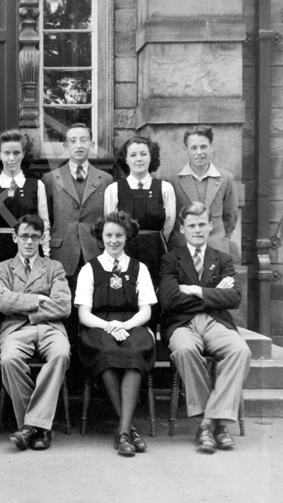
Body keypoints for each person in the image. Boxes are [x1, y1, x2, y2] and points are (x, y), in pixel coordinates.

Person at [159, 202, 251, 453]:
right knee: (185, 350)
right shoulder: (170, 259)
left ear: (210, 226)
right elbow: (169, 300)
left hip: (216, 322)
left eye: (202, 224)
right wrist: (213, 293)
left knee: (240, 351)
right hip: (182, 323)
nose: (197, 230)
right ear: (182, 228)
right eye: (192, 225)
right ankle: (216, 425)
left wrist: (195, 290)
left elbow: (233, 298)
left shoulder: (222, 259)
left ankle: (208, 423)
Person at [75, 211, 156, 457]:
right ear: (101, 237)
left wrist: (127, 325)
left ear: (127, 236)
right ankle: (128, 429)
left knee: (133, 356)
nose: (113, 240)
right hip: (98, 326)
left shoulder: (139, 268)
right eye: (108, 235)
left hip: (132, 324)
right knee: (108, 355)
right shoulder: (90, 269)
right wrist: (109, 327)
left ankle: (122, 432)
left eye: (119, 235)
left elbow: (146, 310)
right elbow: (84, 314)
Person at [0, 214, 71, 451]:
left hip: (50, 327)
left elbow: (63, 305)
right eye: (24, 236)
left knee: (61, 354)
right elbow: (0, 301)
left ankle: (30, 427)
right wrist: (37, 298)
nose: (29, 242)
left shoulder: (54, 267)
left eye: (34, 237)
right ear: (15, 237)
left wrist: (27, 311)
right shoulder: (3, 267)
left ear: (41, 239)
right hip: (15, 330)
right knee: (9, 359)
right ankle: (39, 428)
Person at [42, 123, 112, 281]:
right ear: (66, 146)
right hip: (62, 253)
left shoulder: (106, 180)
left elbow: (109, 220)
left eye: (84, 140)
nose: (78, 145)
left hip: (95, 251)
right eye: (73, 141)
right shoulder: (51, 179)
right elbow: (46, 220)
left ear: (92, 145)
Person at [104, 136, 176, 288]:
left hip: (156, 250)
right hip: (125, 249)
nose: (139, 159)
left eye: (144, 154)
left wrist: (156, 239)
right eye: (133, 155)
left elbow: (169, 223)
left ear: (151, 158)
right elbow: (110, 224)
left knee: (155, 290)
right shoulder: (114, 189)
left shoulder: (165, 188)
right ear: (126, 160)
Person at [0, 129, 50, 271]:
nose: (11, 158)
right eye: (7, 153)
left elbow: (44, 224)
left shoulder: (36, 185)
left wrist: (45, 254)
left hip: (29, 248)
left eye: (16, 153)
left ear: (23, 154)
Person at [164, 125, 238, 254]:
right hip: (183, 249)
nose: (199, 152)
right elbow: (170, 218)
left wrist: (218, 236)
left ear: (212, 146)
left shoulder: (226, 178)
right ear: (185, 149)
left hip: (216, 248)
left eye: (203, 146)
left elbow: (230, 216)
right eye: (194, 148)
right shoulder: (172, 180)